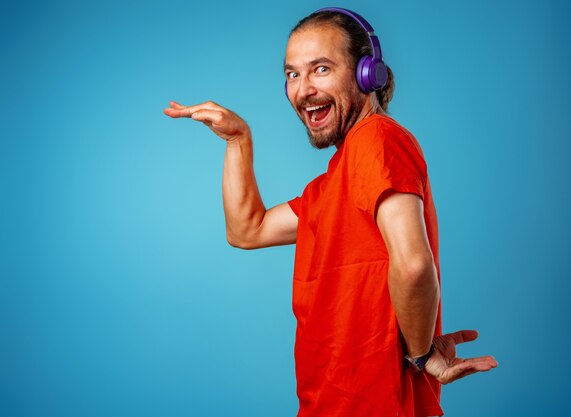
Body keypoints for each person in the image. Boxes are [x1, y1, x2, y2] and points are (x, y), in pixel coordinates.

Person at [164, 7, 497, 417]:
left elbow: (413, 265)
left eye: (320, 69)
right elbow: (248, 230)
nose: (303, 89)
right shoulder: (336, 180)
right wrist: (238, 142)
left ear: (367, 73)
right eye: (292, 74)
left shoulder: (376, 140)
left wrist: (419, 354)